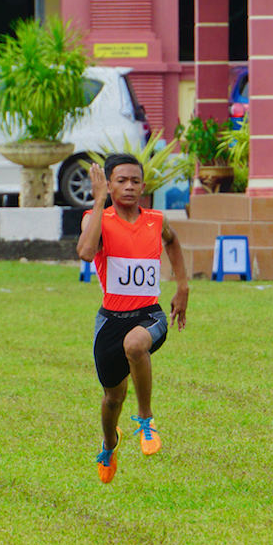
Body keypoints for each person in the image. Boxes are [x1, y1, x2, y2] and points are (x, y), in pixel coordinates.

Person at [76, 153, 188, 484]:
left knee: (136, 344)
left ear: (143, 186)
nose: (129, 186)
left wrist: (183, 286)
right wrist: (99, 203)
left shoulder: (156, 219)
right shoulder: (96, 218)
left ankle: (146, 419)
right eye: (121, 181)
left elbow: (173, 242)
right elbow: (85, 252)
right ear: (108, 185)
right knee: (112, 399)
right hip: (110, 320)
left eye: (135, 181)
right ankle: (109, 443)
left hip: (149, 314)